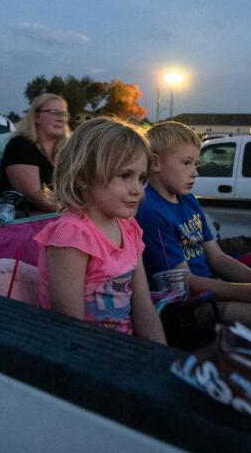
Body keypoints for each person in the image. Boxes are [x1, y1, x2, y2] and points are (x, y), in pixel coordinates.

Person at [136, 121, 251, 347]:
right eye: (186, 163)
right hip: (186, 306)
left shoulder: (187, 199)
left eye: (196, 163)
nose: (195, 172)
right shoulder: (150, 211)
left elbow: (217, 257)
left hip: (212, 288)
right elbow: (183, 283)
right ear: (155, 162)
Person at [33, 117, 166, 344]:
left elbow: (143, 306)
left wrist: (162, 358)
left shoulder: (130, 228)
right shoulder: (71, 235)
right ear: (84, 176)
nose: (138, 190)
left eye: (141, 178)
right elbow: (70, 325)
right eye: (125, 175)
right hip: (86, 356)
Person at [0, 93, 69, 214]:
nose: (60, 118)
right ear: (36, 117)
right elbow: (33, 195)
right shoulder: (20, 146)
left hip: (53, 220)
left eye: (63, 113)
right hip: (19, 223)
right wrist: (73, 212)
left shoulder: (64, 154)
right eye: (54, 112)